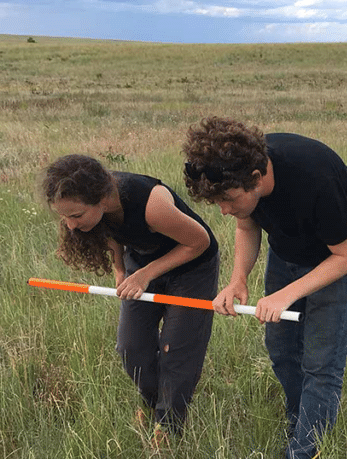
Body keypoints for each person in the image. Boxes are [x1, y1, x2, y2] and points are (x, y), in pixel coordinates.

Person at [182, 117, 347, 459]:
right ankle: (302, 420)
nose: (224, 210)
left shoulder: (314, 178)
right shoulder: (238, 171)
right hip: (285, 255)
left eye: (228, 199)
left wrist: (288, 294)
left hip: (334, 261)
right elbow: (246, 227)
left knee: (320, 365)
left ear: (257, 179)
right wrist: (239, 279)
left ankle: (305, 450)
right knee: (281, 348)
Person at [42, 154, 219, 444]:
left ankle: (168, 428)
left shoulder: (152, 204)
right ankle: (154, 405)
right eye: (64, 217)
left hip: (191, 265)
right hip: (143, 264)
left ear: (101, 199)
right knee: (131, 347)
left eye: (75, 216)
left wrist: (145, 274)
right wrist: (121, 270)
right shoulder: (97, 212)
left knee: (176, 348)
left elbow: (200, 242)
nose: (70, 226)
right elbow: (114, 239)